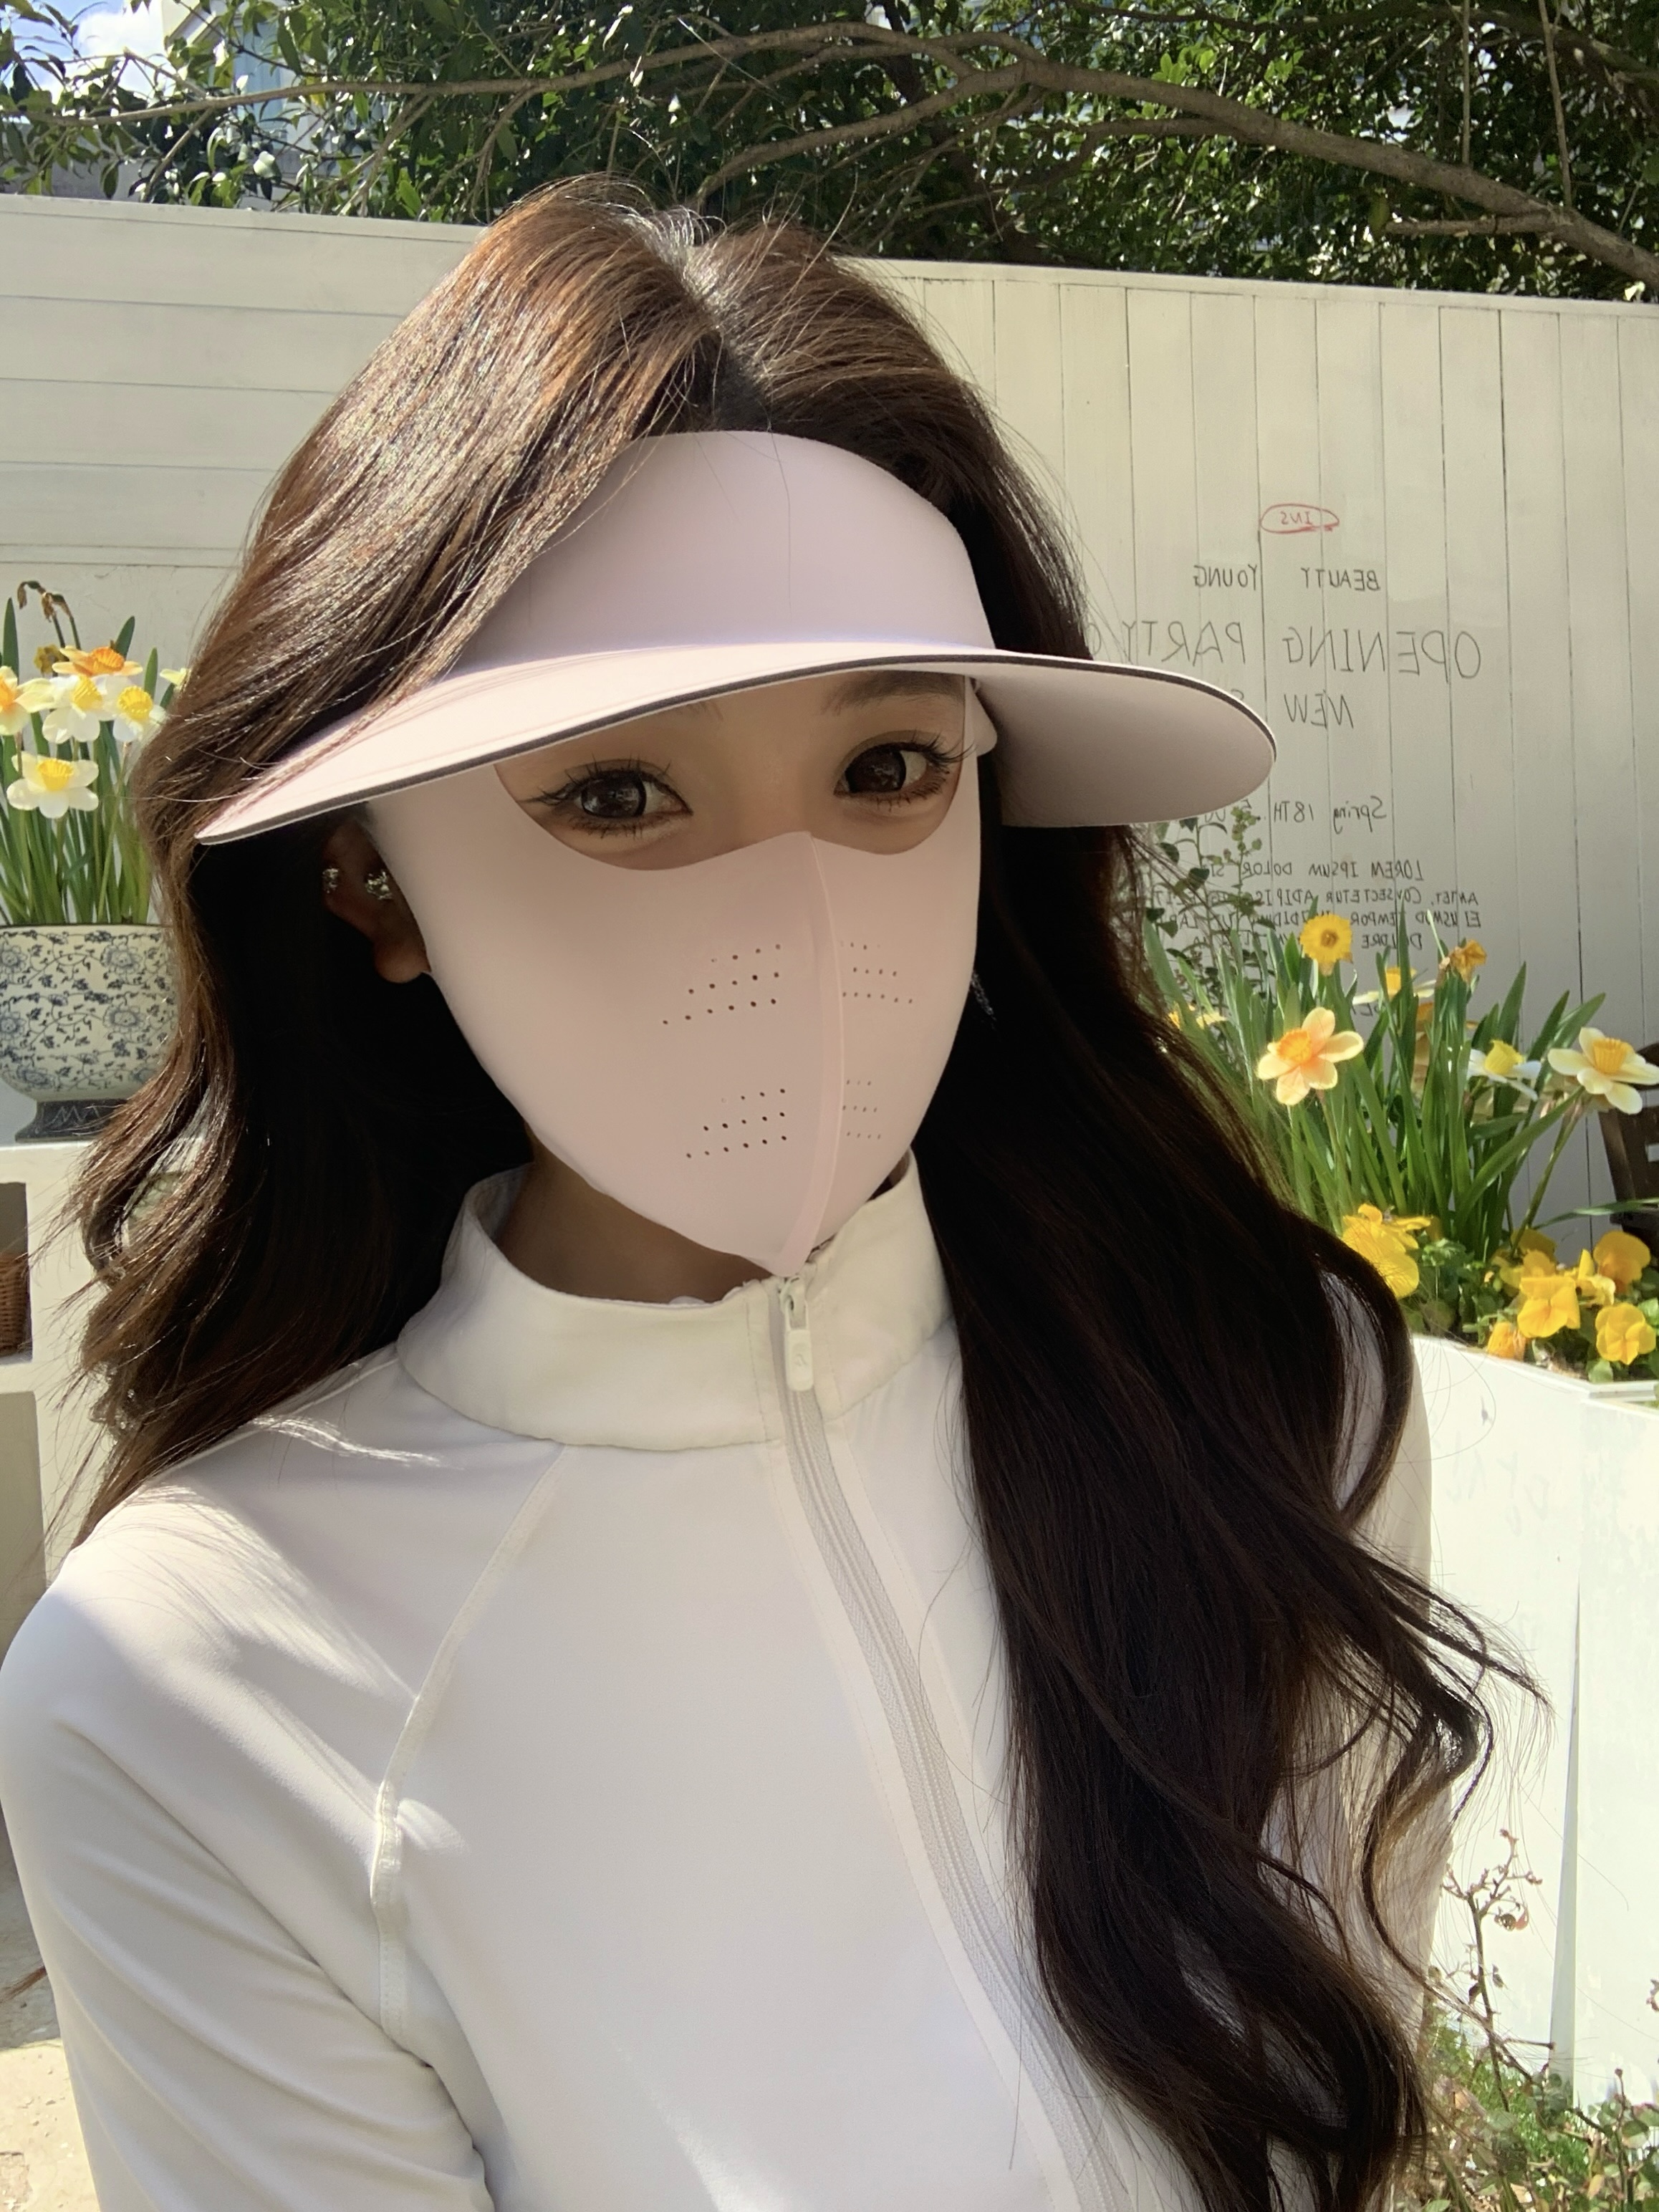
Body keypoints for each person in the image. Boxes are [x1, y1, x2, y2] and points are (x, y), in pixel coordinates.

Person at [0, 184, 1494, 2212]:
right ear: (367, 880)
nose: (795, 916)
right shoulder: (198, 1678)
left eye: (888, 770)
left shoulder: (1268, 1390)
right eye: (616, 791)